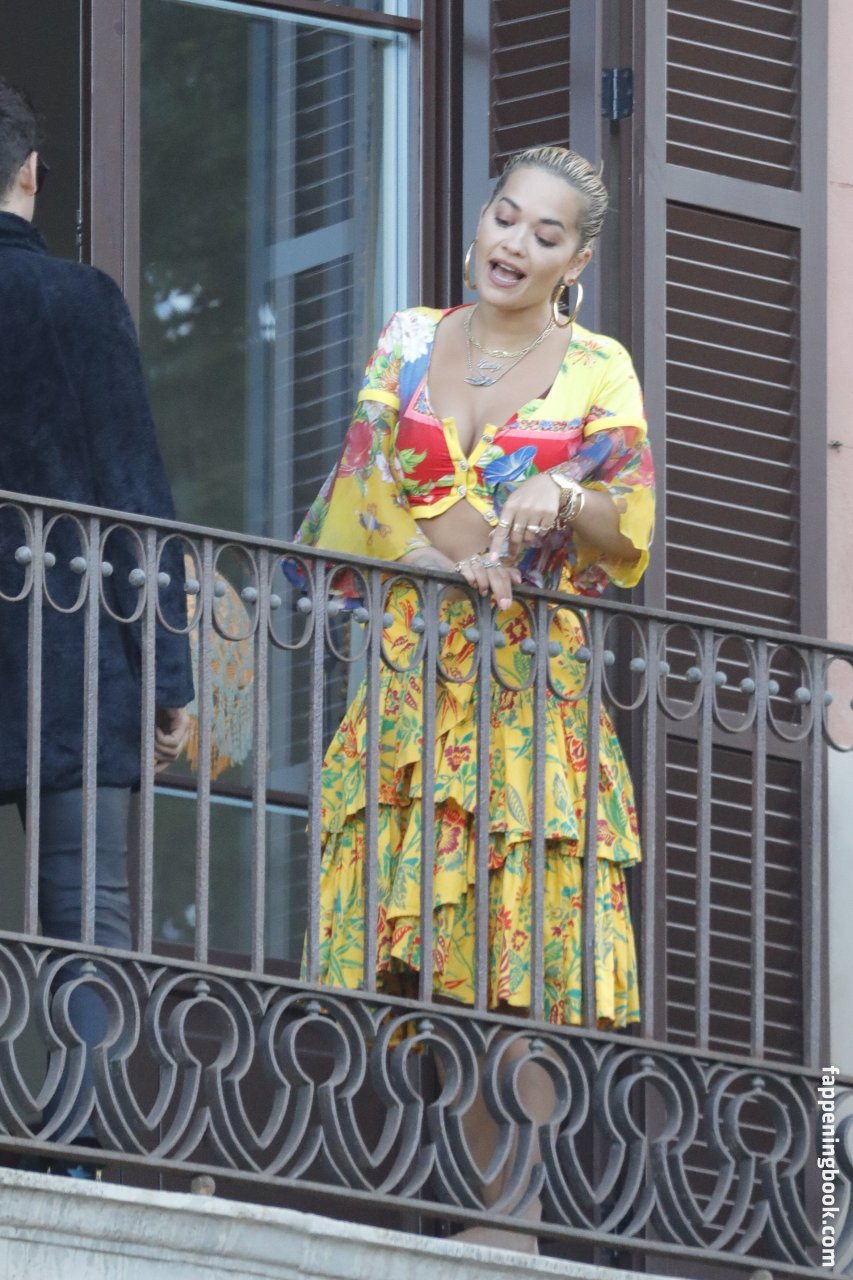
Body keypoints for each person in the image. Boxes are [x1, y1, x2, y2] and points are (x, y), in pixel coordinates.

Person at [295, 146, 655, 1248]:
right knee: (430, 948)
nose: (515, 244)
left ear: (574, 263)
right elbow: (360, 489)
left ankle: (515, 1220)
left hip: (529, 684)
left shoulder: (598, 367)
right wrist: (437, 559)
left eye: (546, 235)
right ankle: (466, 1199)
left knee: (522, 950)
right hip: (412, 675)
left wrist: (565, 491)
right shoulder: (409, 337)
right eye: (506, 217)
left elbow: (630, 528)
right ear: (479, 225)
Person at [0, 82, 193, 1173]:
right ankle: (80, 1148)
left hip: (53, 653)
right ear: (32, 174)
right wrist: (167, 673)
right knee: (87, 911)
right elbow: (134, 499)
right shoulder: (78, 301)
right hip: (64, 656)